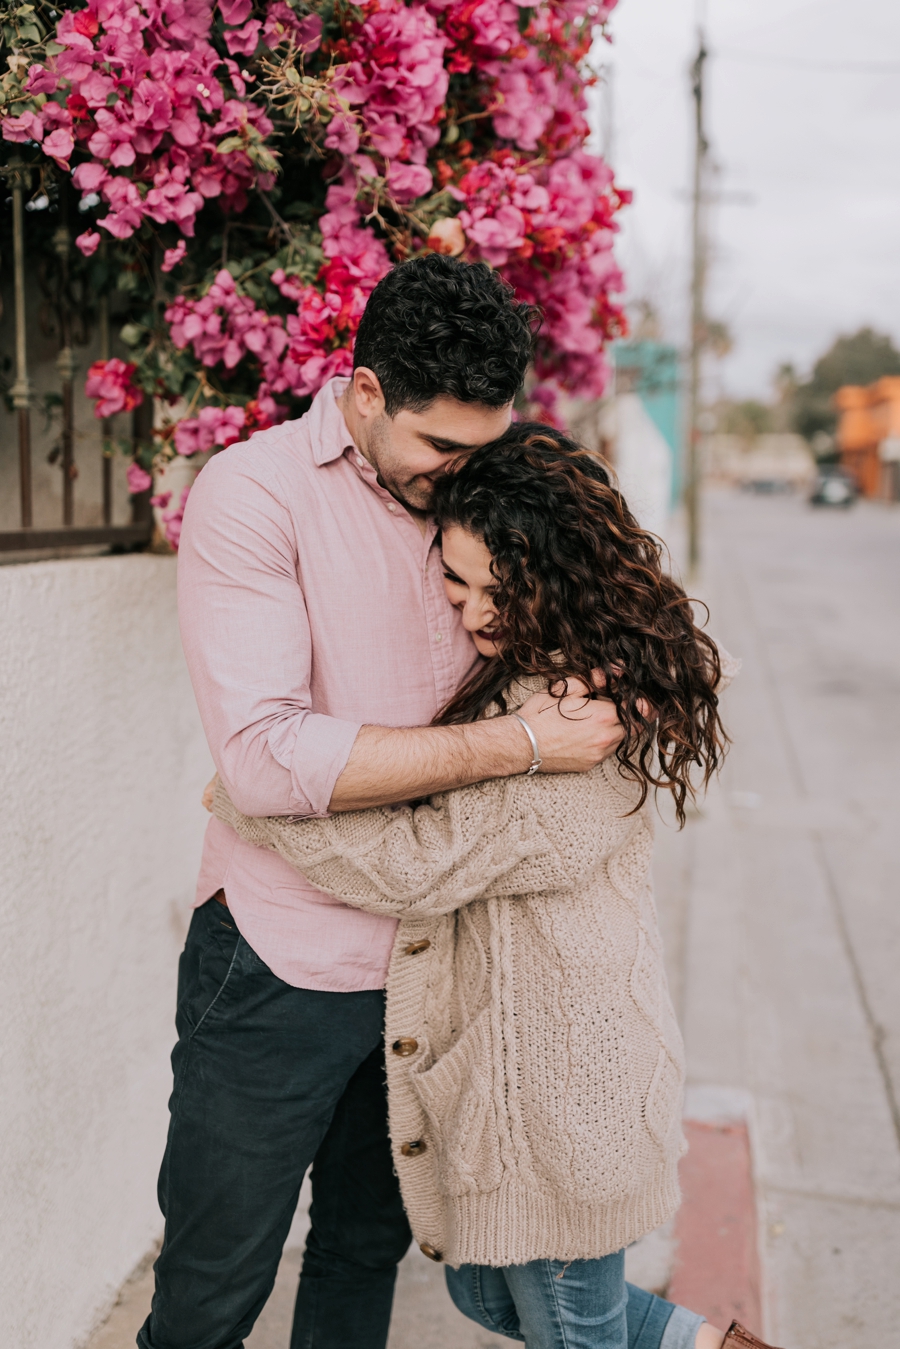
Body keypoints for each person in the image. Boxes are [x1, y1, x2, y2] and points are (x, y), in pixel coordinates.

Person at [142, 256, 643, 1349]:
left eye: (487, 444)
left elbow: (601, 616)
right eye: (442, 447)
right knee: (210, 1286)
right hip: (282, 958)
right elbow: (268, 759)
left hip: (442, 962)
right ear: (364, 393)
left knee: (366, 1251)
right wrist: (518, 745)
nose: (465, 472)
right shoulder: (255, 491)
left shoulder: (487, 483)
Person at [208, 424, 782, 1349]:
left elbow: (419, 860)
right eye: (457, 582)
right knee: (488, 1298)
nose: (474, 612)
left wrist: (254, 792)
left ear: (562, 576)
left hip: (563, 1098)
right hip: (512, 1090)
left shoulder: (589, 716)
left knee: (568, 1327)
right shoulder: (538, 675)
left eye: (499, 590)